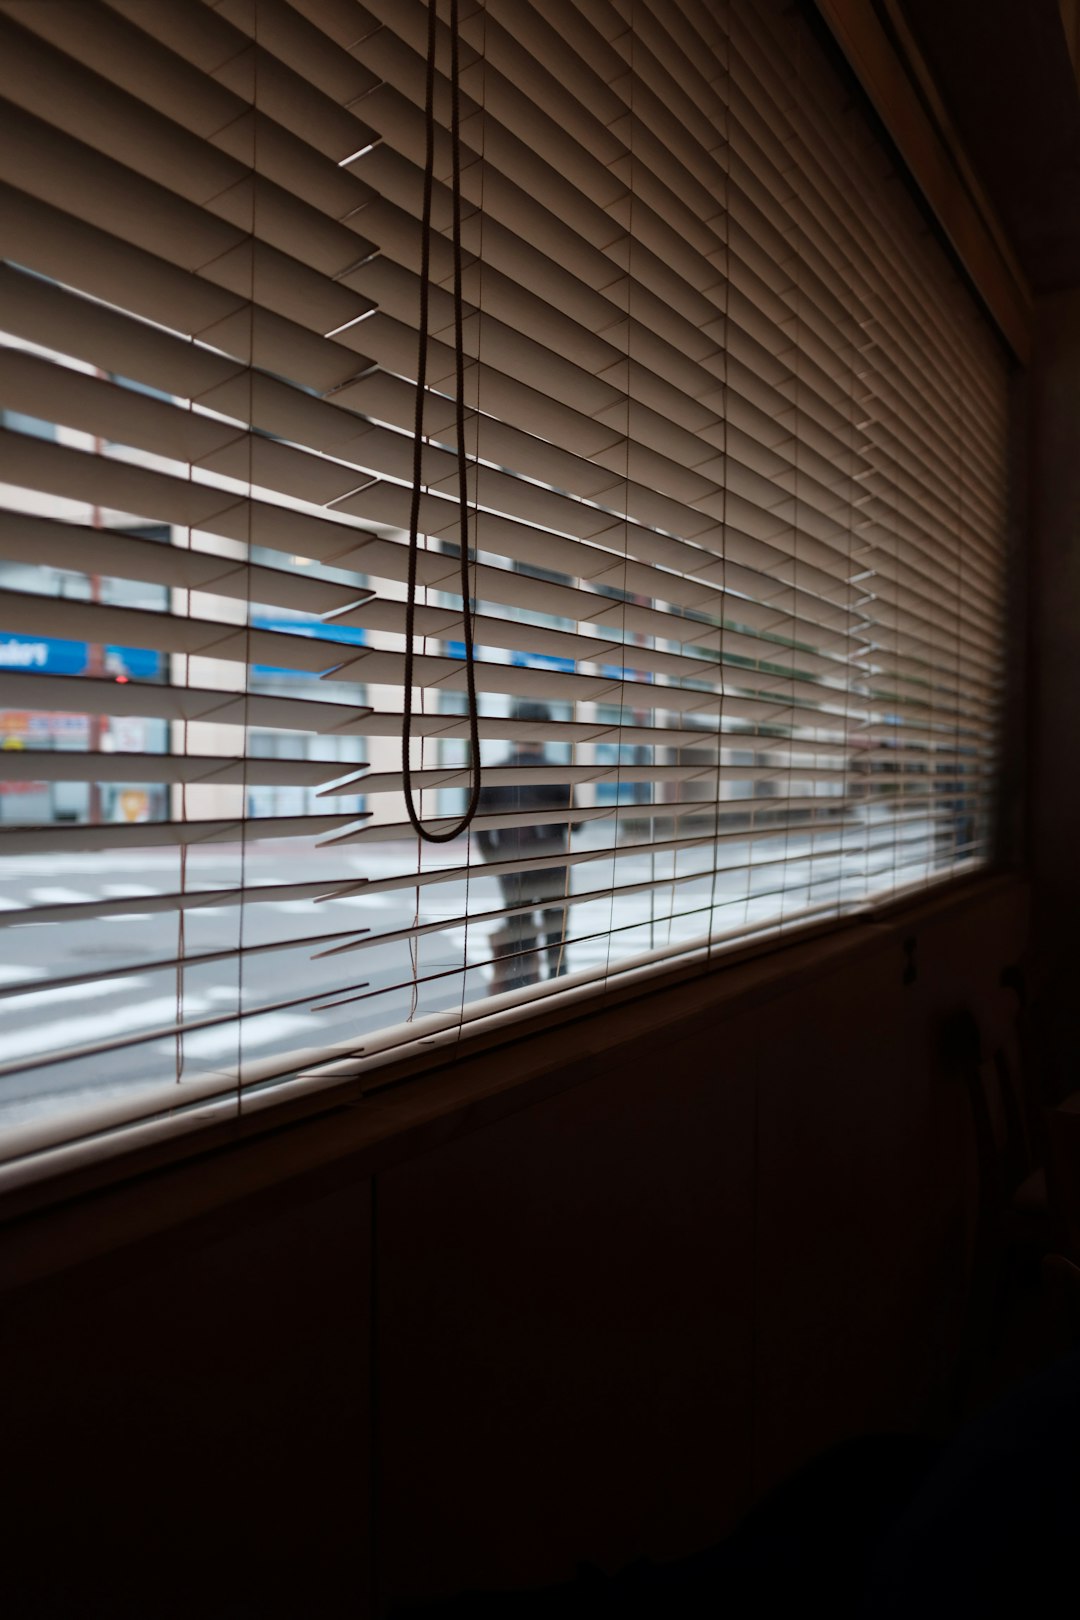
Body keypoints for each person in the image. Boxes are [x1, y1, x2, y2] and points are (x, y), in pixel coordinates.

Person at [476, 701, 575, 993]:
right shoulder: (558, 773)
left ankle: (526, 996)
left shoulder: (494, 774)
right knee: (556, 933)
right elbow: (577, 822)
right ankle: (561, 991)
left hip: (511, 866)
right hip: (554, 864)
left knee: (521, 937)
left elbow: (481, 830)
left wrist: (495, 861)